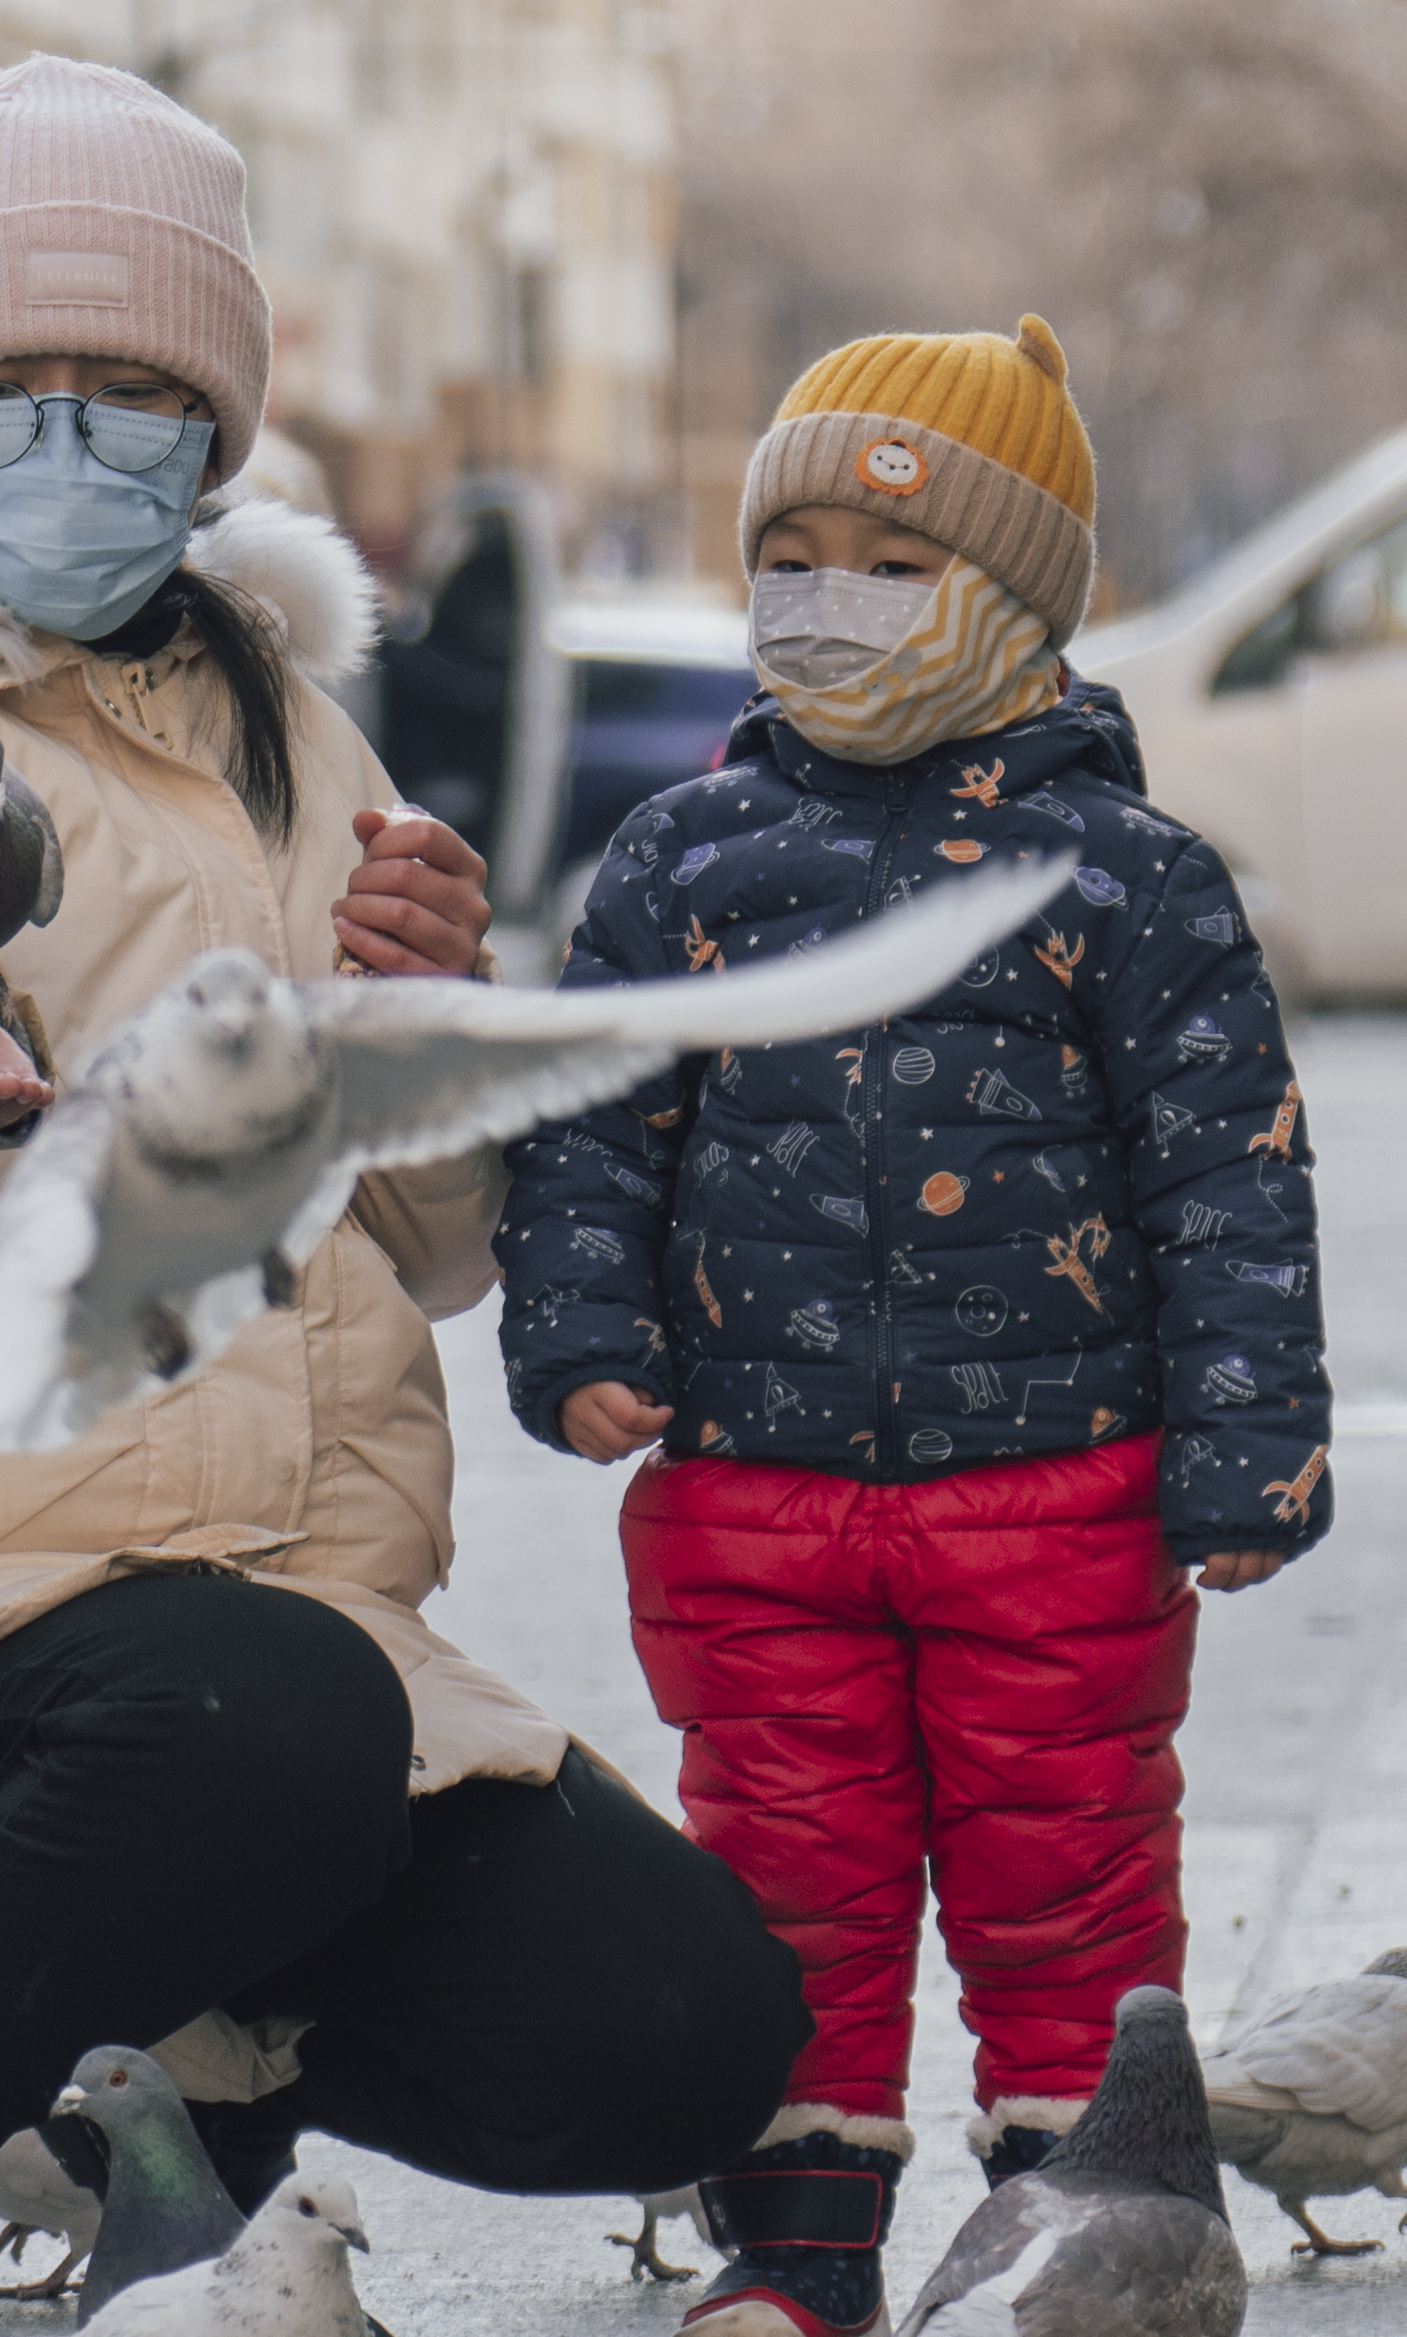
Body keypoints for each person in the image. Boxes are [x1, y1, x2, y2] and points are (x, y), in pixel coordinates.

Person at [0, 57, 809, 2334]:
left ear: (213, 430)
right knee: (251, 1711)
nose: (59, 436)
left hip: (275, 1661)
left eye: (125, 390)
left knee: (682, 2032)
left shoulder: (279, 730)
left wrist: (419, 1022)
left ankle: (160, 2098)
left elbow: (415, 1256)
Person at [497, 316, 1332, 2337]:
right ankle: (796, 2248)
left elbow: (1225, 1171)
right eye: (787, 562)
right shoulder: (679, 864)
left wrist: (1246, 1446)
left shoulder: (1120, 877)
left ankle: (1074, 2223)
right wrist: (578, 1325)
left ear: (1018, 601)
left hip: (1059, 1497)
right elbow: (592, 1123)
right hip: (755, 1498)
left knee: (1066, 1872)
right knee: (791, 1874)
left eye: (888, 568)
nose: (826, 609)